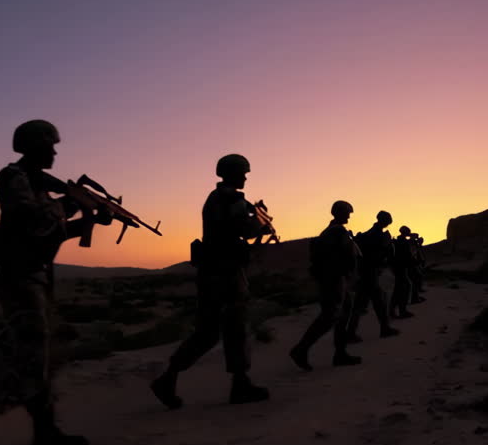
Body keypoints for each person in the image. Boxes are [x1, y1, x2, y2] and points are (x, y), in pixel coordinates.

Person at [0, 120, 110, 445]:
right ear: (33, 146)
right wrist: (72, 203)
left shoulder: (39, 188)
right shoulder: (13, 177)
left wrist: (90, 218)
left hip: (36, 276)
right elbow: (29, 220)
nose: (54, 152)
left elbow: (49, 233)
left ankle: (45, 435)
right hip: (18, 277)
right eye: (49, 146)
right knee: (34, 356)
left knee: (44, 355)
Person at [150, 154, 270, 409]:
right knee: (236, 327)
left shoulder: (216, 198)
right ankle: (240, 384)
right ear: (233, 173)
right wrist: (260, 223)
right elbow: (244, 230)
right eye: (243, 172)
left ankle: (168, 378)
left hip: (210, 271)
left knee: (207, 332)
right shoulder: (233, 199)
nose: (246, 177)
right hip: (226, 272)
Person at [290, 200, 362, 371]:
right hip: (333, 279)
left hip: (336, 278)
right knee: (330, 316)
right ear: (340, 213)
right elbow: (347, 255)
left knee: (343, 313)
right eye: (347, 213)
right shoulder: (336, 232)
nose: (349, 216)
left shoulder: (330, 232)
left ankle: (340, 353)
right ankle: (301, 349)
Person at [345, 210, 400, 343]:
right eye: (388, 219)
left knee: (370, 302)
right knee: (369, 303)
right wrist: (386, 247)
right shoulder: (376, 235)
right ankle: (381, 329)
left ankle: (380, 328)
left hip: (368, 272)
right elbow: (376, 254)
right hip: (369, 272)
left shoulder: (370, 234)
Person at [389, 226, 416, 319]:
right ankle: (402, 311)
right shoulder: (403, 242)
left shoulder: (399, 240)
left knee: (398, 289)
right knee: (403, 289)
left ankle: (393, 310)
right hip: (402, 267)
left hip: (398, 267)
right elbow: (407, 255)